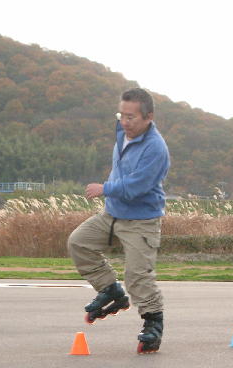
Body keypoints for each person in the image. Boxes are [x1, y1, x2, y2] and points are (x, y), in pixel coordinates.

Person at [67, 87, 170, 354]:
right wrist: (110, 191)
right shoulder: (122, 133)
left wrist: (105, 188)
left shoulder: (156, 148)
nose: (124, 122)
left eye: (131, 117)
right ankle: (111, 291)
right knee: (79, 242)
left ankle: (153, 324)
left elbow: (138, 185)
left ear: (149, 116)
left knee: (137, 276)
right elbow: (120, 169)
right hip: (112, 214)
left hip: (141, 220)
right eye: (121, 115)